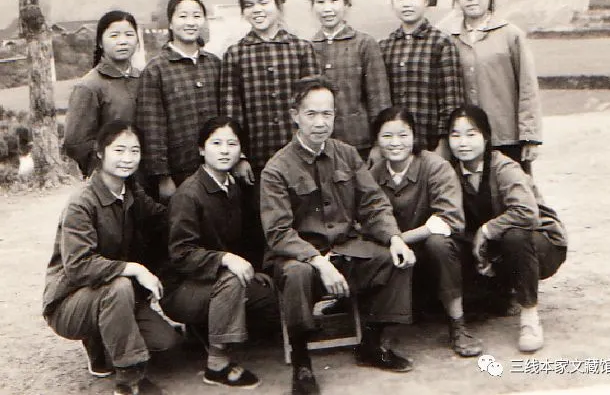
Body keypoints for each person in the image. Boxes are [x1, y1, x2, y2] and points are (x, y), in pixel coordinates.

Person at [260, 76, 416, 395]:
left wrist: (394, 238)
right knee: (297, 274)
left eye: (327, 113)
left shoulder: (346, 154)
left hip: (345, 249)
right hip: (300, 257)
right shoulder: (276, 169)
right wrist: (318, 262)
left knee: (394, 259)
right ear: (294, 116)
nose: (320, 122)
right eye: (311, 114)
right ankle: (302, 363)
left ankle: (371, 343)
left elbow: (373, 203)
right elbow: (278, 232)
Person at [43, 121, 180, 395]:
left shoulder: (131, 192)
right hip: (70, 301)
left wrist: (192, 205)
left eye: (134, 151)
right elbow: (79, 266)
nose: (127, 158)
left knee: (165, 343)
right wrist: (134, 269)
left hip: (112, 295)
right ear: (100, 152)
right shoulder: (81, 203)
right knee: (119, 285)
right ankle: (129, 380)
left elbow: (163, 218)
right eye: (119, 150)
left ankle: (101, 345)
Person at [161, 117, 279, 389]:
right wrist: (225, 259)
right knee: (232, 280)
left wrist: (254, 269)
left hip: (211, 281)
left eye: (232, 144)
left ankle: (204, 330)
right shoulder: (189, 194)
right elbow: (181, 253)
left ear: (241, 151)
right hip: (181, 288)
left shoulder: (232, 187)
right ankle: (217, 364)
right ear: (201, 149)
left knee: (267, 296)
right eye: (216, 143)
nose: (224, 151)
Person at [447, 105, 567, 352]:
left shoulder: (504, 167)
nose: (463, 142)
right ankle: (498, 294)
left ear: (486, 137)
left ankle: (530, 316)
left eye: (471, 134)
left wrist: (486, 230)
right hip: (494, 248)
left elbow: (526, 213)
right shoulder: (451, 172)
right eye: (455, 135)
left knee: (515, 235)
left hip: (540, 243)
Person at [221, 0, 320, 268]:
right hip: (258, 161)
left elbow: (313, 105)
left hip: (299, 156)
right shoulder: (236, 54)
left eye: (263, 2)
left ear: (279, 5)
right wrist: (240, 157)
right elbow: (232, 111)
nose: (257, 10)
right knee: (262, 225)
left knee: (305, 221)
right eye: (249, 5)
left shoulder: (300, 48)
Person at [369, 106, 482, 357]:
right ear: (376, 139)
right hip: (398, 253)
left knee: (438, 243)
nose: (395, 143)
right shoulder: (374, 174)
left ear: (414, 136)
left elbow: (449, 219)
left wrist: (399, 239)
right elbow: (367, 217)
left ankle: (458, 325)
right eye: (387, 136)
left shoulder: (435, 166)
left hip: (440, 251)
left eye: (403, 135)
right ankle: (385, 326)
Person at [445, 0, 542, 174]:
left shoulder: (510, 35)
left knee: (514, 188)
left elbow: (527, 87)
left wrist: (530, 137)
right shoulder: (448, 38)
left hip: (506, 136)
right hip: (465, 140)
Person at [136, 0, 221, 201]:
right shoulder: (156, 70)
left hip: (217, 167)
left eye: (197, 16)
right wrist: (163, 177)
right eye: (183, 16)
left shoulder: (215, 64)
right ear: (171, 23)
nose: (190, 22)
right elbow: (152, 128)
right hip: (178, 172)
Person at [379, 0, 463, 156]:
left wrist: (444, 143)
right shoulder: (385, 46)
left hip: (430, 143)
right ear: (392, 3)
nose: (406, 3)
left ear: (426, 0)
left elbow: (451, 101)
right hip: (395, 145)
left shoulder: (441, 43)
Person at [309, 0, 391, 161]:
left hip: (360, 144)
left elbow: (379, 99)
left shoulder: (364, 44)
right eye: (320, 2)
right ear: (313, 6)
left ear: (346, 4)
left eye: (334, 1)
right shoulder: (308, 47)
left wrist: (379, 145)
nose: (327, 8)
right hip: (320, 146)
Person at [64, 10, 141, 178]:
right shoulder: (89, 86)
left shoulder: (145, 79)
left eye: (129, 35)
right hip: (110, 177)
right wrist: (110, 165)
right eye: (114, 36)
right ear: (100, 42)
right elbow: (75, 143)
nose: (123, 41)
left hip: (147, 176)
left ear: (137, 40)